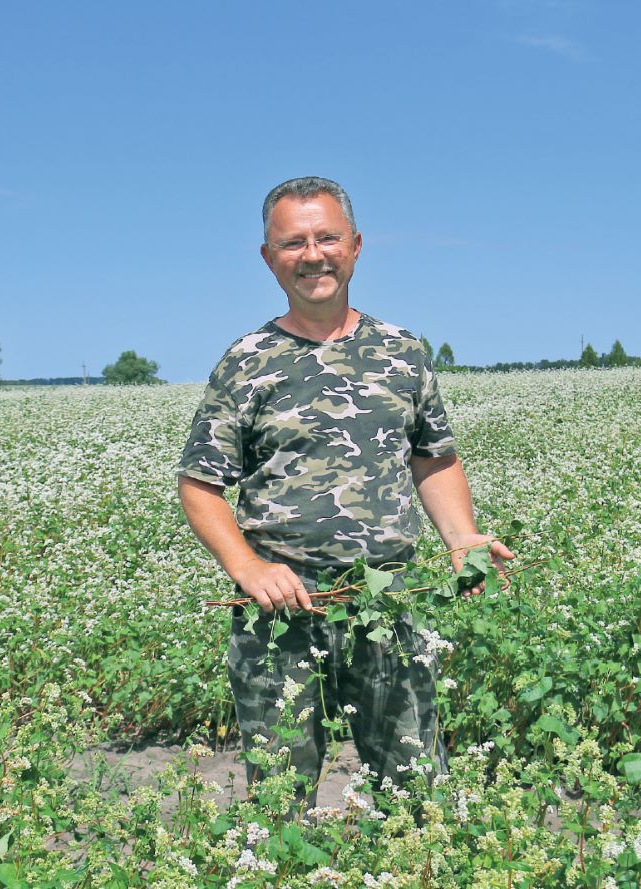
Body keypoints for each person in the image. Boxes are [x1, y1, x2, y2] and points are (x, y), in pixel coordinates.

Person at [177, 176, 512, 805]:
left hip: (386, 601)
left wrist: (462, 537)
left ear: (355, 246)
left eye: (327, 238)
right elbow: (199, 484)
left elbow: (433, 459)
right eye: (293, 243)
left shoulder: (403, 353)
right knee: (281, 799)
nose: (313, 256)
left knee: (417, 792)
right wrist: (247, 567)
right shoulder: (247, 361)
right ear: (268, 258)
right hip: (282, 612)